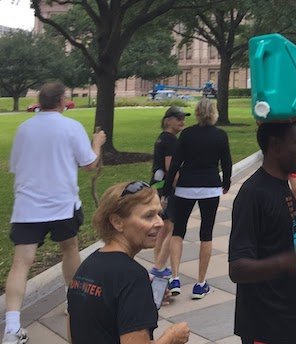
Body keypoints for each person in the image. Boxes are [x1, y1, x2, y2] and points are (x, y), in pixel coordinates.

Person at [4, 81, 105, 344]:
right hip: (62, 204)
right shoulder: (71, 127)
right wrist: (97, 142)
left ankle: (12, 328)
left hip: (28, 206)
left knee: (21, 263)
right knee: (69, 250)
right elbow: (90, 164)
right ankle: (73, 303)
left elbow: (14, 166)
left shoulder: (25, 128)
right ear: (61, 101)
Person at [67, 181, 190, 344]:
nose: (160, 222)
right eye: (148, 215)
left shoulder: (87, 266)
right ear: (117, 222)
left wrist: (139, 300)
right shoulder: (132, 277)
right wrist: (172, 336)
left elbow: (73, 334)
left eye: (160, 213)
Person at [229, 122, 296, 344]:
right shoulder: (253, 195)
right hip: (265, 327)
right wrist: (288, 260)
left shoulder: (282, 187)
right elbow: (238, 268)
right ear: (275, 146)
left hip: (290, 319)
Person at [163, 98, 232, 299]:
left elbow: (176, 163)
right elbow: (226, 162)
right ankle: (200, 283)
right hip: (210, 187)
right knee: (206, 232)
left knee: (178, 230)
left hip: (186, 186)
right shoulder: (220, 135)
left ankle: (175, 277)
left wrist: (167, 189)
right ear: (214, 113)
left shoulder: (187, 134)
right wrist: (225, 183)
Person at [150, 106, 189, 280]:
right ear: (168, 121)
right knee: (171, 227)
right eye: (178, 118)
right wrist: (178, 187)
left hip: (157, 186)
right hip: (167, 187)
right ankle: (159, 267)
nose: (182, 121)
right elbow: (170, 168)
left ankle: (158, 264)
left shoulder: (162, 139)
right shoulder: (172, 141)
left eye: (183, 117)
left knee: (163, 227)